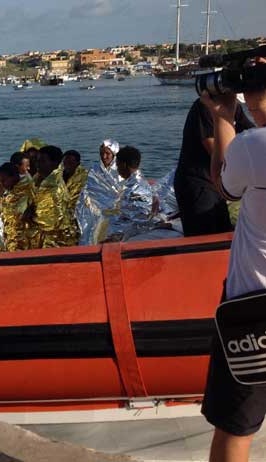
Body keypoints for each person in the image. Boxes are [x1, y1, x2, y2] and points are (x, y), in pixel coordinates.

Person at [198, 58, 266, 462]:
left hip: (253, 307)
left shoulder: (253, 145)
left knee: (236, 428)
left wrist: (225, 118)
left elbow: (224, 186)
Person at [174, 96, 253, 237]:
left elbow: (250, 131)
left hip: (215, 184)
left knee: (221, 231)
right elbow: (216, 150)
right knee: (204, 238)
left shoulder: (233, 106)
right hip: (197, 184)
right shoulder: (206, 106)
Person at [76, 139, 124, 245]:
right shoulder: (94, 170)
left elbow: (123, 192)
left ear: (114, 154)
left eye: (107, 153)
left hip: (117, 214)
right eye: (102, 153)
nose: (104, 157)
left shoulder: (121, 171)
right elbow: (88, 190)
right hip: (96, 213)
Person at [26, 145, 76, 248]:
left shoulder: (54, 187)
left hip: (55, 241)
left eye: (42, 161)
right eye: (37, 161)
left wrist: (29, 215)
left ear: (54, 163)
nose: (38, 164)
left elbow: (48, 220)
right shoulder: (38, 179)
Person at [103, 146, 156, 242]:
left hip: (129, 236)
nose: (117, 169)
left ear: (123, 165)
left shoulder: (136, 189)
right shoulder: (136, 183)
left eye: (118, 165)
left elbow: (141, 221)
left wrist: (119, 236)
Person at [0, 162, 35, 252]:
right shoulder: (9, 193)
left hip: (26, 241)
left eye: (4, 180)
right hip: (11, 239)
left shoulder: (27, 188)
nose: (2, 184)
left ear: (14, 176)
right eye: (0, 181)